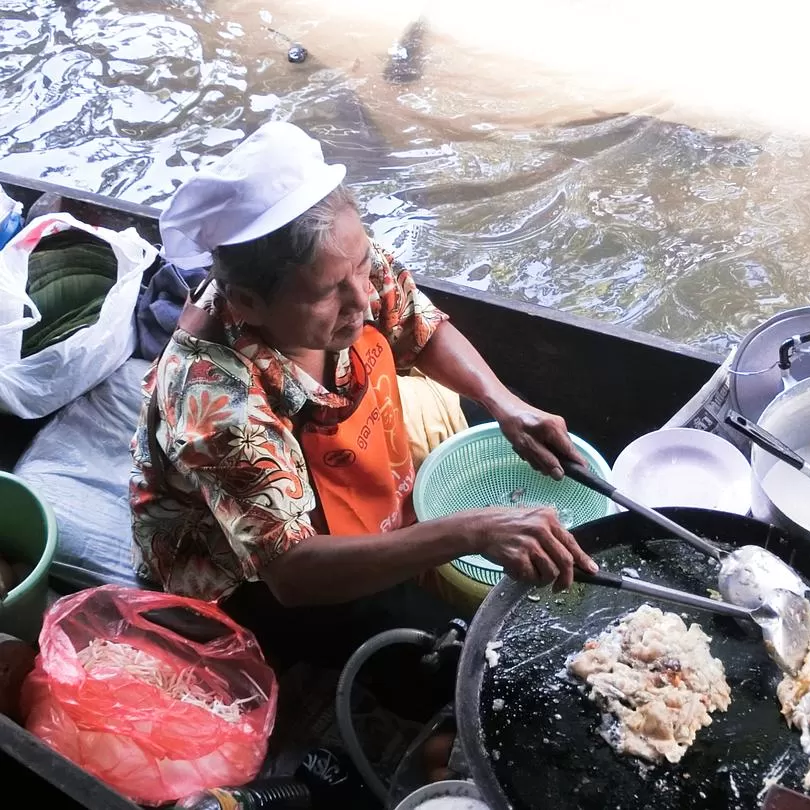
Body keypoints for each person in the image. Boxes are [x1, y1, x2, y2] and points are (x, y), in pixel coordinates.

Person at [129, 121, 598, 666]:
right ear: (249, 302)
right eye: (329, 292)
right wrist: (471, 531)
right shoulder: (216, 403)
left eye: (361, 265)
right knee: (464, 653)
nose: (364, 300)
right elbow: (292, 572)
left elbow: (417, 324)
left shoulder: (346, 266)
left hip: (340, 459)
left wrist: (505, 404)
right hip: (251, 571)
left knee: (505, 423)